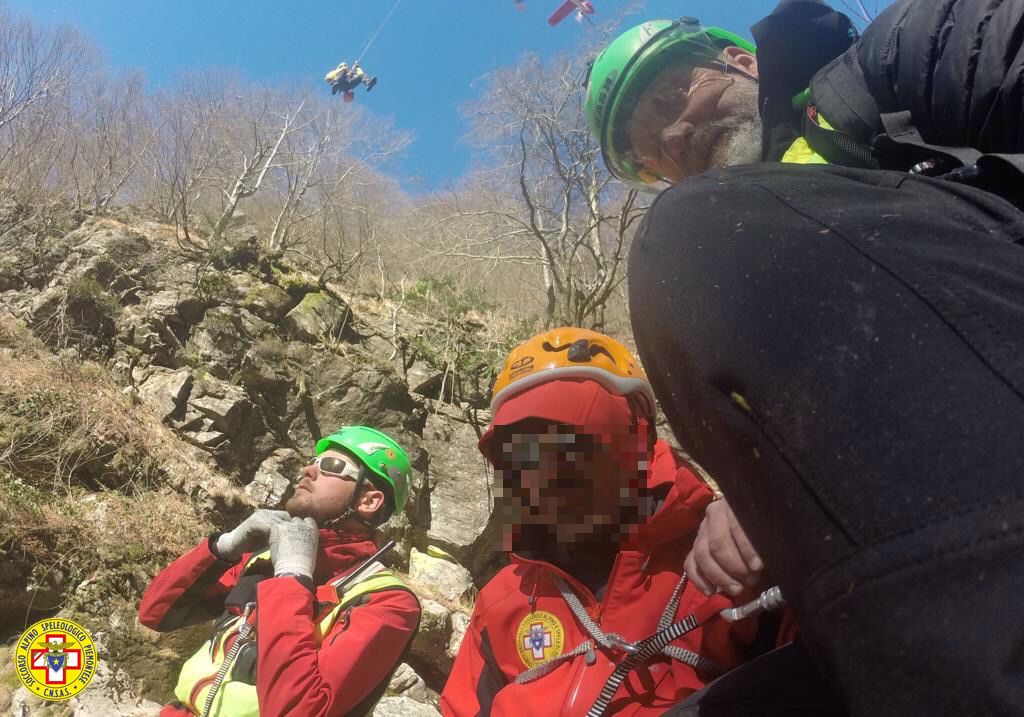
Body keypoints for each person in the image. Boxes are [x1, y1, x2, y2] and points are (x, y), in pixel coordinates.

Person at [586, 1, 1024, 715]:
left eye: (672, 97)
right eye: (647, 154)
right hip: (918, 601)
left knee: (690, 230)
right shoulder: (736, 274)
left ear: (740, 62)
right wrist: (761, 486)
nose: (672, 138)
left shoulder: (890, 66)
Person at [441, 328, 778, 717]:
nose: (540, 476)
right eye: (519, 457)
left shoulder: (733, 562)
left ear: (640, 439)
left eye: (569, 446)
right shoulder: (502, 601)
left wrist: (778, 520)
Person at [138, 426, 421, 717]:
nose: (309, 469)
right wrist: (223, 549)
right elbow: (156, 613)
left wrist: (292, 577)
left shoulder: (387, 603)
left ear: (368, 501)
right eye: (313, 460)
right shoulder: (264, 557)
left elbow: (299, 711)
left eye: (331, 466)